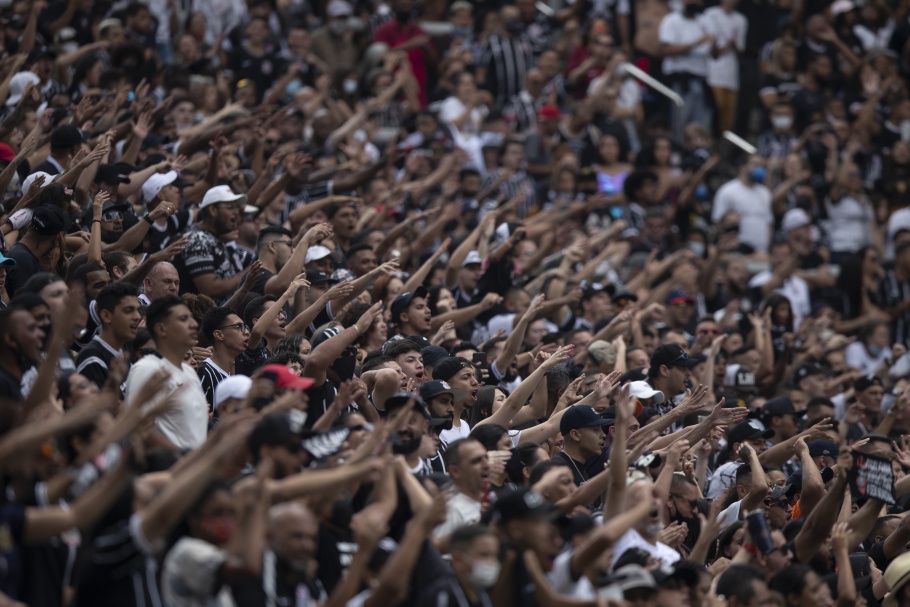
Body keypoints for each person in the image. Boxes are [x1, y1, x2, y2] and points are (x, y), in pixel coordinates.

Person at [124, 295, 208, 450]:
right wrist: (184, 458)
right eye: (183, 319)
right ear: (161, 328)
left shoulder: (190, 371)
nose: (194, 324)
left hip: (196, 470)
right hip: (168, 470)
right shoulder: (147, 368)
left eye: (192, 318)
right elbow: (138, 427)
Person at [175, 185, 247, 301]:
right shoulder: (197, 239)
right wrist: (248, 273)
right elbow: (209, 289)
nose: (236, 213)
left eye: (236, 208)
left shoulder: (214, 238)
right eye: (230, 207)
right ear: (213, 210)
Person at [75, 282, 141, 388]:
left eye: (138, 310)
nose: (137, 317)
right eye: (128, 310)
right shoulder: (93, 360)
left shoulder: (125, 349)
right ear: (106, 316)